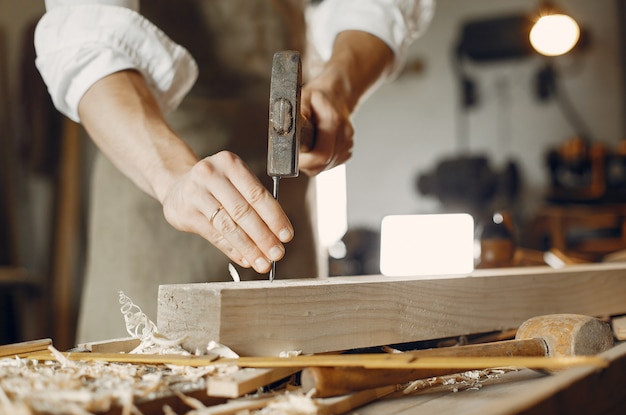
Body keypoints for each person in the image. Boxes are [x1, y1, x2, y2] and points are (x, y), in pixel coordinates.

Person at [35, 0, 434, 343]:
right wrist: (173, 176)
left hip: (285, 199)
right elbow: (85, 41)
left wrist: (340, 85)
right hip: (154, 184)